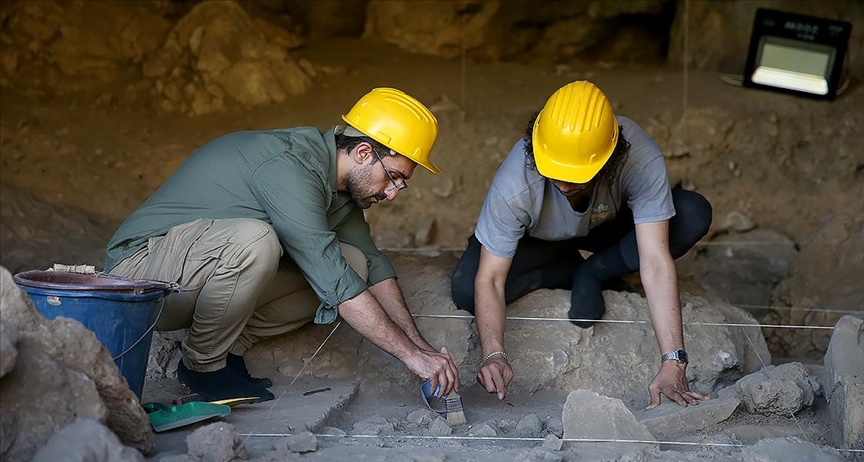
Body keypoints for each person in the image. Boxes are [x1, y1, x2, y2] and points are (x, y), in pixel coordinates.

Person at [105, 87, 460, 403]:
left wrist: (423, 349)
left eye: (402, 183)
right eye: (393, 176)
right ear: (364, 153)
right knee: (257, 240)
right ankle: (202, 365)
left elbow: (373, 267)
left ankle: (228, 350)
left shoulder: (342, 190)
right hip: (138, 283)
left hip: (192, 281)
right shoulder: (290, 169)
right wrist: (410, 359)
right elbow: (332, 280)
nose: (393, 192)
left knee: (355, 262)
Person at [451, 80, 711, 410]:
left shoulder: (638, 157)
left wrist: (674, 362)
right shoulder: (515, 183)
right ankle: (565, 268)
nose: (562, 182)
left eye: (575, 175)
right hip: (539, 238)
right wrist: (494, 353)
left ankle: (596, 269)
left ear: (610, 158)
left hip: (606, 224)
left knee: (691, 213)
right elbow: (489, 278)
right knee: (465, 288)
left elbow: (656, 261)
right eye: (554, 171)